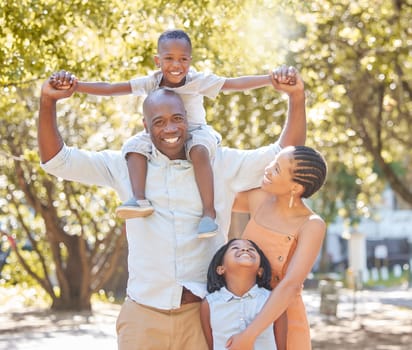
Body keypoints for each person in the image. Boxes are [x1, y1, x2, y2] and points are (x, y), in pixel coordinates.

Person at [38, 65, 306, 350]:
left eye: (178, 119)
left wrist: (296, 97)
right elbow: (57, 161)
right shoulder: (125, 164)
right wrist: (47, 101)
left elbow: (284, 155)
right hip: (143, 315)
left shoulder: (220, 163)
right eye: (159, 121)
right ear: (145, 125)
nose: (170, 129)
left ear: (188, 120)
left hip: (203, 316)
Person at [50, 29, 295, 238]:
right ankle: (139, 199)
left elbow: (234, 84)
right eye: (169, 59)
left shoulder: (198, 80)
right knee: (134, 146)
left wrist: (270, 80)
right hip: (163, 132)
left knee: (198, 151)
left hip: (197, 132)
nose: (176, 66)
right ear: (158, 60)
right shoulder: (151, 81)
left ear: (190, 60)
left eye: (183, 59)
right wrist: (77, 87)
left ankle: (209, 213)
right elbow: (113, 88)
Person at [226, 145, 328, 350]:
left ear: (295, 188)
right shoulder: (258, 198)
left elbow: (290, 285)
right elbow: (219, 198)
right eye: (273, 162)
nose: (268, 169)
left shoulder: (312, 225)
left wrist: (250, 334)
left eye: (277, 169)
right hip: (240, 312)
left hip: (284, 322)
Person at [200, 238, 277, 350]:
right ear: (221, 269)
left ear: (260, 270)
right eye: (235, 247)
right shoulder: (209, 304)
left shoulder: (274, 299)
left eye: (251, 249)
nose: (245, 249)